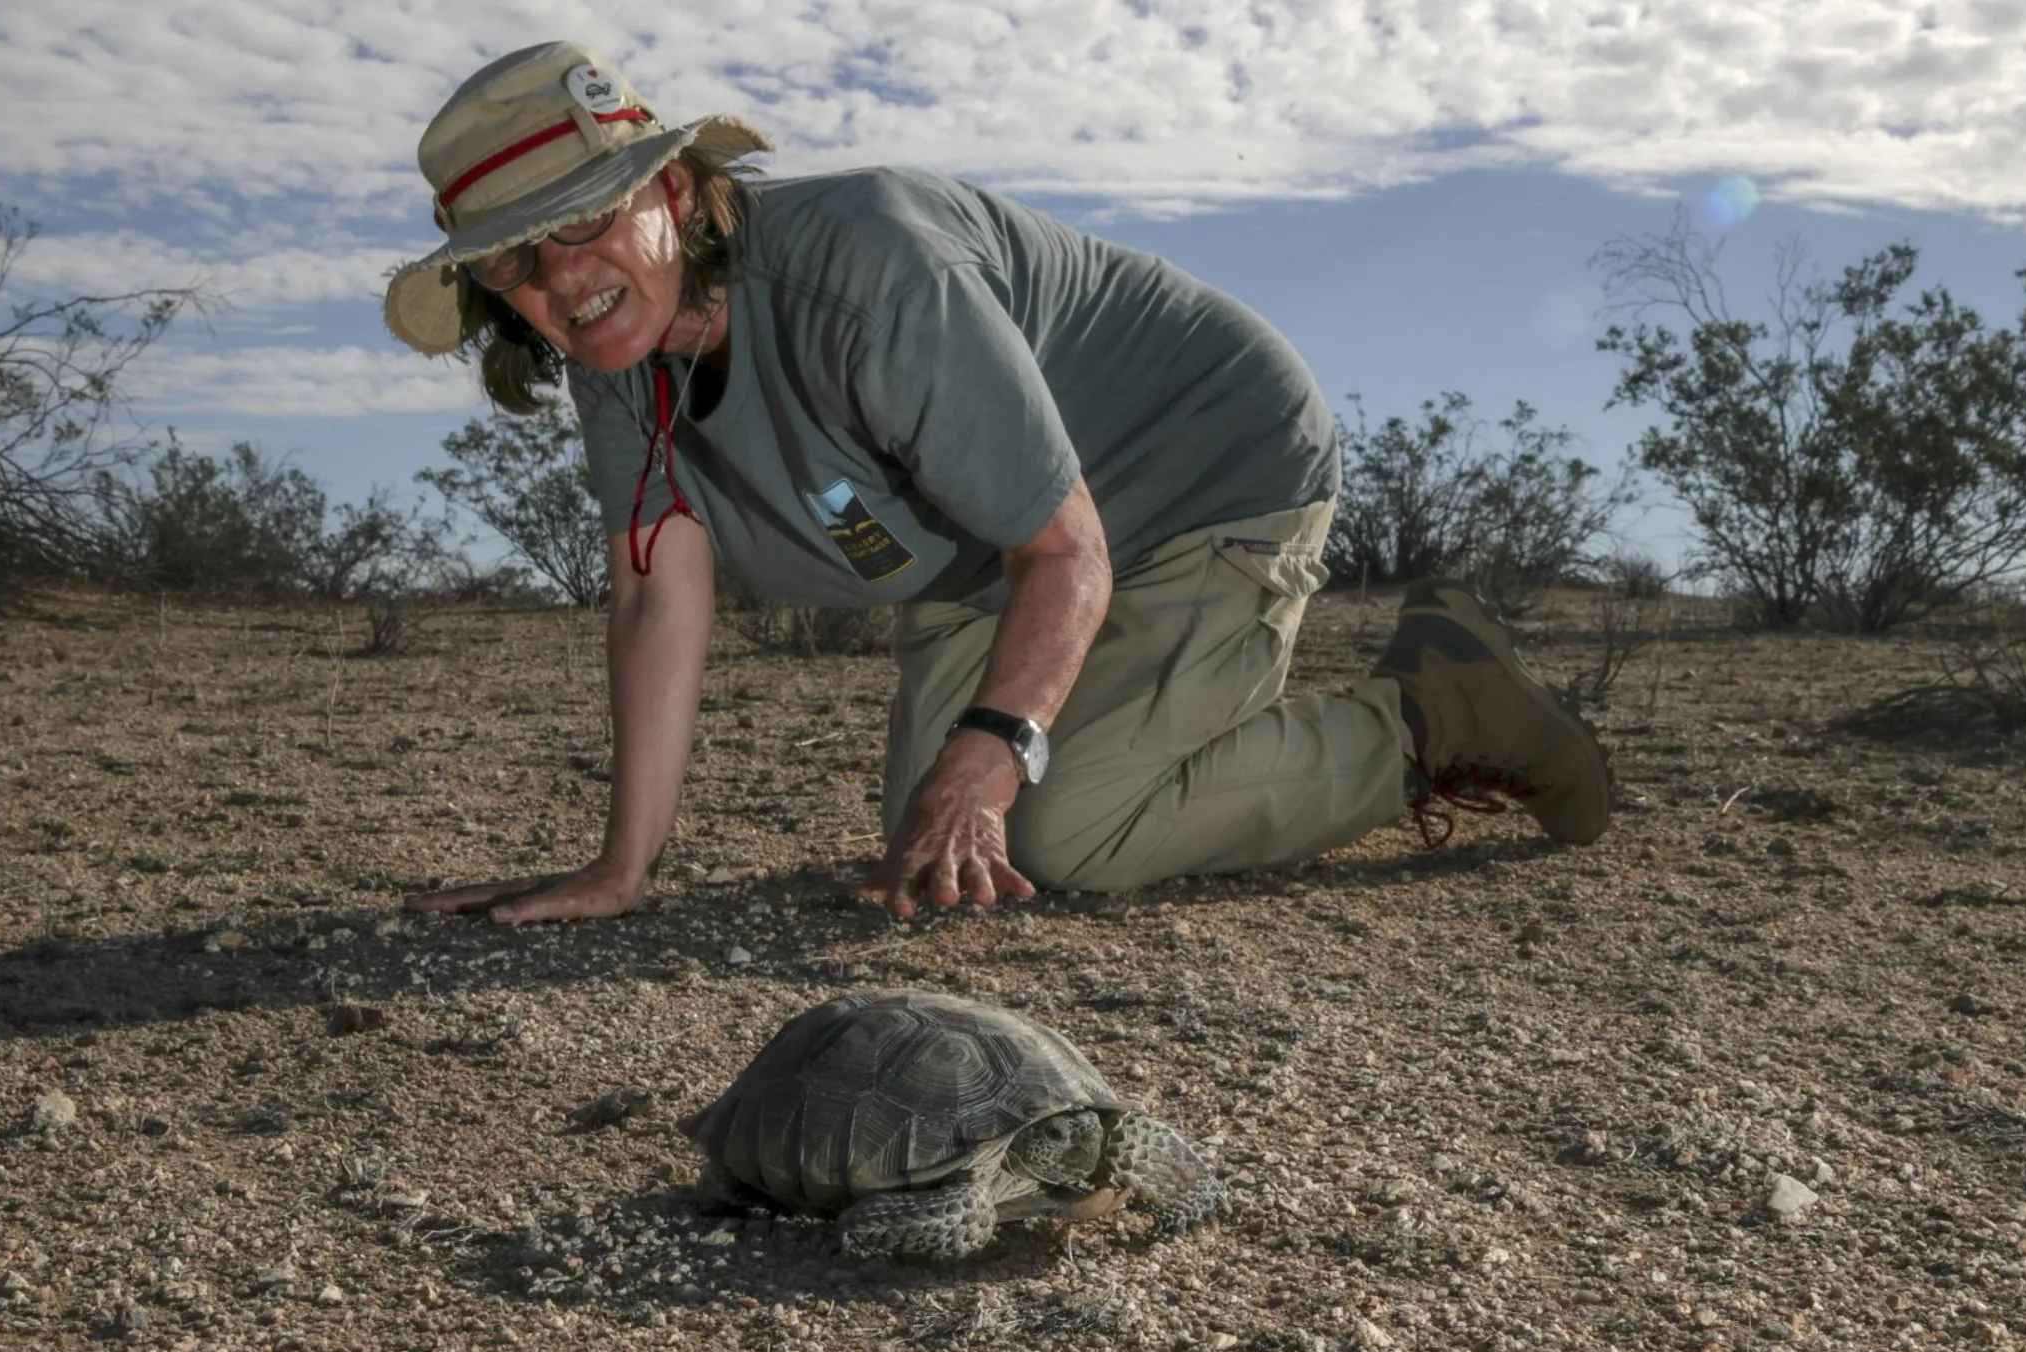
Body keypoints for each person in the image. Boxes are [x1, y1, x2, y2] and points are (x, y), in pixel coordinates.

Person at [385, 42, 1611, 924]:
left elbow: (1068, 550)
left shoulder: (870, 271)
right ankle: (1112, 737)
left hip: (1197, 468)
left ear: (667, 191)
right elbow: (660, 598)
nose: (560, 280)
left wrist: (992, 752)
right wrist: (621, 866)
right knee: (937, 842)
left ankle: (1432, 716)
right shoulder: (617, 357)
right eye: (514, 265)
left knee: (1061, 831)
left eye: (582, 224)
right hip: (994, 544)